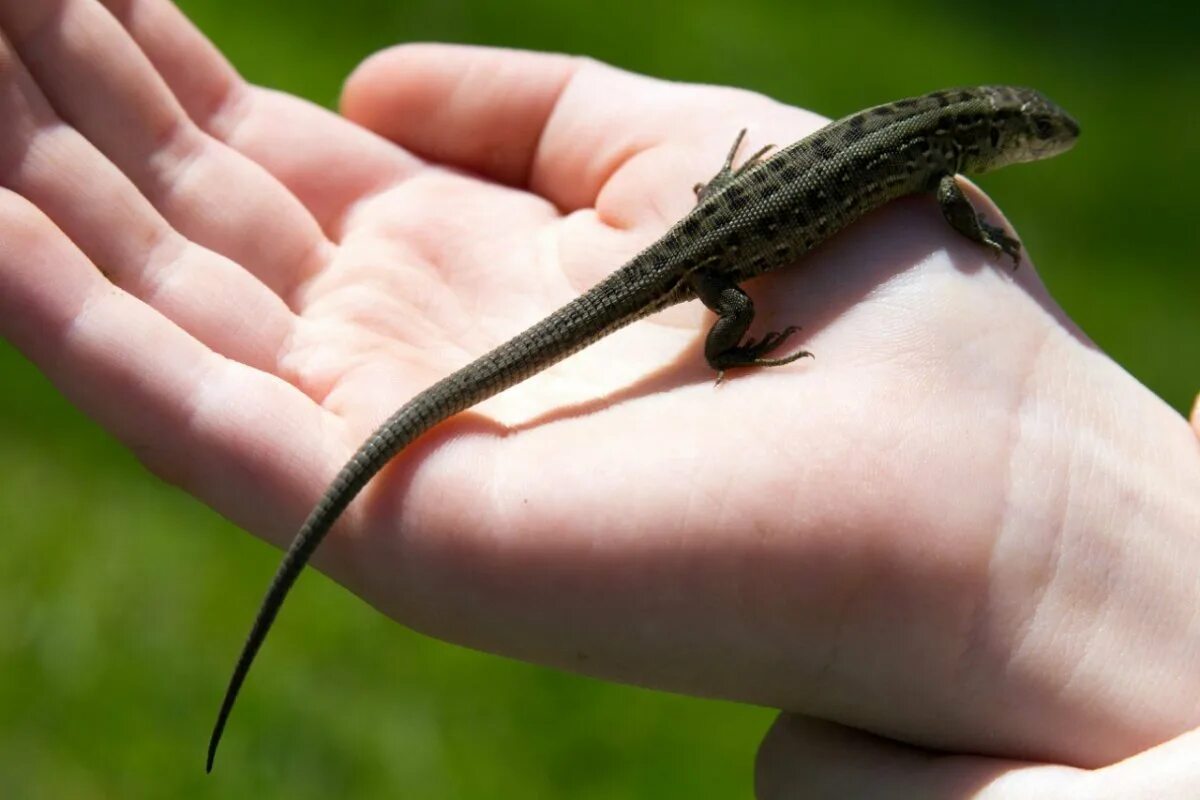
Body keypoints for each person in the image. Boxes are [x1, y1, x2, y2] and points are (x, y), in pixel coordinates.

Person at [1, 1, 1198, 795]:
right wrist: (736, 345)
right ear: (1001, 136)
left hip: (707, 234)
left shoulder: (938, 151)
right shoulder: (945, 176)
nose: (1047, 142)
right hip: (703, 266)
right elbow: (943, 203)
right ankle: (731, 356)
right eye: (1038, 134)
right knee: (724, 307)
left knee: (716, 264)